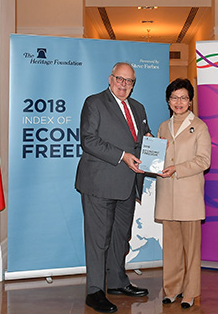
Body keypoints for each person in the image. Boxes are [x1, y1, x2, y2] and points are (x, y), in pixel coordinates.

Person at [75, 62, 151, 313]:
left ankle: (117, 282)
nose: (124, 84)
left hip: (128, 184)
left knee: (121, 236)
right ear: (110, 79)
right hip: (99, 183)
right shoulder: (94, 103)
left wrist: (151, 147)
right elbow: (89, 140)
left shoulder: (138, 107)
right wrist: (123, 155)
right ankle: (95, 291)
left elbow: (143, 138)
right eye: (120, 79)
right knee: (98, 240)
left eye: (129, 81)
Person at [155, 78, 211, 309]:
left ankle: (189, 292)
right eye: (174, 97)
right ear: (168, 100)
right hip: (167, 194)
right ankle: (171, 289)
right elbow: (157, 158)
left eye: (184, 98)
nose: (179, 102)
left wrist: (178, 168)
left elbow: (204, 161)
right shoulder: (162, 126)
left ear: (190, 101)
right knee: (172, 248)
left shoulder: (199, 126)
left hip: (189, 196)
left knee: (191, 250)